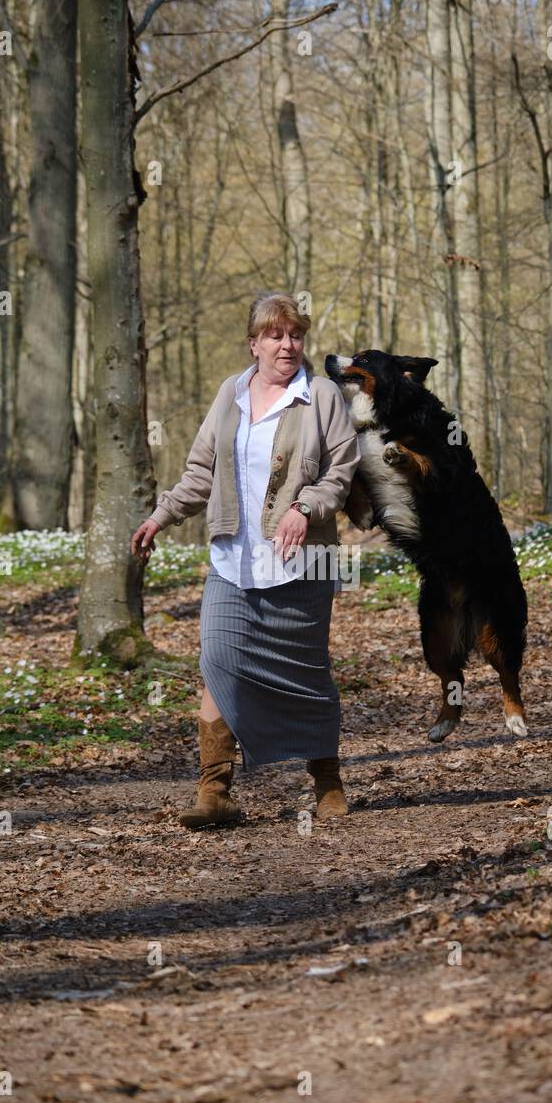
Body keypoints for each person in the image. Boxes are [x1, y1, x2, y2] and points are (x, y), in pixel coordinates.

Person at [131, 292, 360, 829]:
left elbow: (341, 471)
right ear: (253, 343)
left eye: (295, 335)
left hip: (303, 563)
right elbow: (201, 472)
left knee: (308, 672)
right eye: (275, 335)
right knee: (217, 663)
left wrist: (306, 507)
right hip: (234, 560)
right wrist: (160, 517)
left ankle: (327, 779)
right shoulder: (230, 394)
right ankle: (215, 792)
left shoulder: (322, 396)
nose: (287, 345)